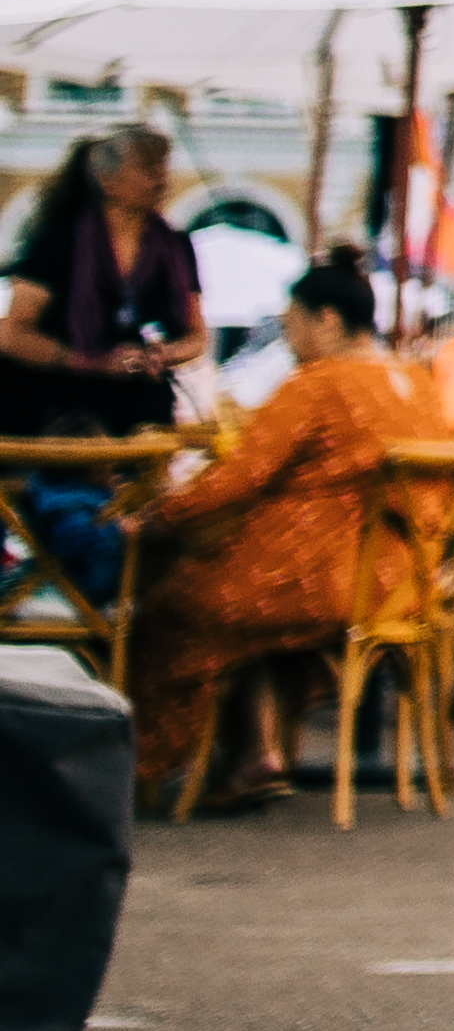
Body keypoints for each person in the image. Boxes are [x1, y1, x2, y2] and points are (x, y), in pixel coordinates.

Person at [118, 254, 429, 803]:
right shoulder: (414, 380)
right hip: (400, 582)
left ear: (325, 320)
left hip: (324, 579)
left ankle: (140, 772)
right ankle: (258, 754)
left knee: (180, 605)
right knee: (241, 608)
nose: (290, 342)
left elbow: (241, 474)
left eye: (291, 327)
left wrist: (159, 517)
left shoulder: (321, 384)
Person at [0, 129, 205, 587]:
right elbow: (12, 335)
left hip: (135, 413)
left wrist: (162, 354)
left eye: (163, 167)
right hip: (55, 413)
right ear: (109, 180)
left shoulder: (174, 247)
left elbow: (196, 337)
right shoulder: (59, 240)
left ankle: (110, 605)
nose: (160, 178)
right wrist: (88, 360)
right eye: (147, 168)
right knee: (70, 514)